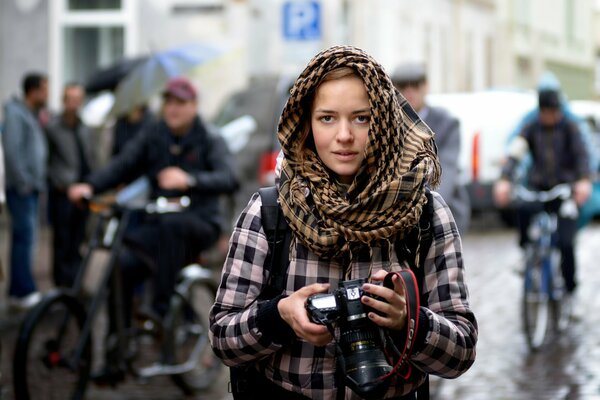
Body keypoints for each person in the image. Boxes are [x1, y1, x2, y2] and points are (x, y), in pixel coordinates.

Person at [209, 46, 477, 399]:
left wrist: (407, 321)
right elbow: (223, 337)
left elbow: (460, 352)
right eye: (327, 118)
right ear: (306, 123)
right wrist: (280, 316)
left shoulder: (424, 213)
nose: (345, 135)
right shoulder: (269, 211)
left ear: (383, 119)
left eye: (362, 118)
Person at [68, 76, 238, 380]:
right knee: (118, 263)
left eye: (181, 103)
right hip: (159, 226)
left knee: (172, 226)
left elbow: (229, 178)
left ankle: (159, 311)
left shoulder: (211, 138)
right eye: (168, 102)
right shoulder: (154, 134)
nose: (173, 109)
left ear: (194, 106)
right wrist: (90, 186)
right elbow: (124, 163)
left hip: (199, 223)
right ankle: (116, 356)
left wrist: (191, 180)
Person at [494, 74, 593, 297]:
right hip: (538, 189)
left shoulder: (571, 128)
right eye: (546, 113)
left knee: (566, 243)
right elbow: (515, 154)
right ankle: (527, 253)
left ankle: (570, 289)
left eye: (554, 112)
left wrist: (584, 181)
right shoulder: (531, 127)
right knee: (521, 209)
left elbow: (582, 157)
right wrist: (504, 179)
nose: (550, 117)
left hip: (564, 191)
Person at [392, 62, 471, 234]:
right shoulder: (386, 123)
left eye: (415, 85)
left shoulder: (447, 122)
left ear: (425, 86)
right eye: (403, 86)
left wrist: (427, 206)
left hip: (441, 206)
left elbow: (446, 168)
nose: (409, 92)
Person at [2, 72, 49, 309]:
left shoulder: (30, 114)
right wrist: (24, 183)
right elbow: (12, 152)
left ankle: (17, 290)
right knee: (24, 239)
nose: (47, 94)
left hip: (29, 188)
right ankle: (24, 291)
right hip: (21, 190)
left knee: (25, 238)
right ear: (33, 91)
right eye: (44, 89)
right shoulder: (15, 114)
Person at [46, 83, 95, 288]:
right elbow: (46, 162)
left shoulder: (84, 127)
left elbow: (90, 157)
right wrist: (60, 183)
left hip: (83, 191)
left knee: (78, 239)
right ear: (64, 100)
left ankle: (75, 283)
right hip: (63, 193)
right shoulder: (53, 128)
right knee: (62, 241)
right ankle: (61, 285)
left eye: (78, 99)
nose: (75, 104)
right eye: (71, 99)